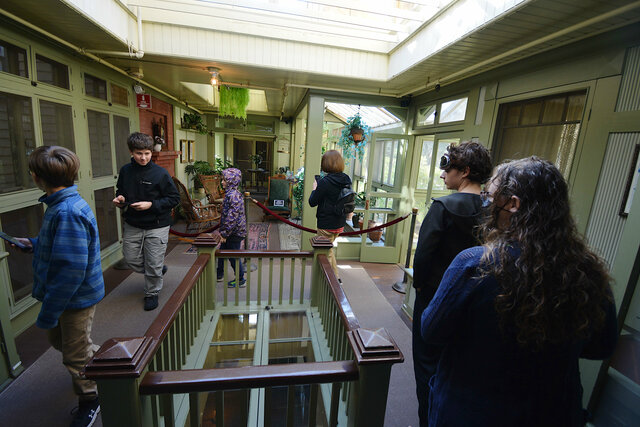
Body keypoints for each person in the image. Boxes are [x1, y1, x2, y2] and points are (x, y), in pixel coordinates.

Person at [421, 157, 617, 426]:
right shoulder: (589, 272)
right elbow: (602, 346)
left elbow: (431, 330)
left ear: (513, 204)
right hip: (555, 412)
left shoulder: (475, 264)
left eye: (489, 196)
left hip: (474, 410)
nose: (485, 204)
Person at [13, 146, 105, 427]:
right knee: (63, 343)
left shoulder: (66, 211)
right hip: (67, 297)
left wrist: (49, 312)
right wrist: (35, 243)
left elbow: (69, 273)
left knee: (74, 357)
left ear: (35, 177)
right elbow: (62, 247)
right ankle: (103, 362)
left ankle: (91, 399)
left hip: (74, 299)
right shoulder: (60, 206)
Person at [411, 141, 492, 426]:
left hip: (435, 297)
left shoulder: (443, 207)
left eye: (448, 168)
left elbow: (423, 256)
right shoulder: (495, 210)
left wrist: (420, 287)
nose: (443, 174)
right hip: (480, 302)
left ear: (465, 171)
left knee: (426, 364)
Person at [112, 132, 179, 311]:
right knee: (131, 258)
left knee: (154, 260)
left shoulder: (160, 173)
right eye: (139, 153)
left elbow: (174, 199)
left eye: (147, 153)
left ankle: (152, 292)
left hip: (158, 223)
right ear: (131, 152)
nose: (143, 157)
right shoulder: (126, 171)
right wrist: (120, 199)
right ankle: (156, 270)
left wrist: (151, 204)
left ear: (151, 152)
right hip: (133, 222)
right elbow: (121, 191)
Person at [308, 150, 352, 281]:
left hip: (326, 224)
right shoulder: (346, 179)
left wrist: (315, 188)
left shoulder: (325, 182)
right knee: (329, 249)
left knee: (324, 253)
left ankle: (333, 280)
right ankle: (335, 278)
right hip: (339, 223)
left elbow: (312, 202)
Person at [216, 168, 247, 288]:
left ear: (231, 181)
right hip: (230, 231)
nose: (222, 182)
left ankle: (240, 279)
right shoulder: (230, 193)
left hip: (234, 232)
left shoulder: (233, 195)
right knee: (223, 251)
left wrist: (224, 233)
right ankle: (220, 274)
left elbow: (232, 217)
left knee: (233, 256)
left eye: (224, 180)